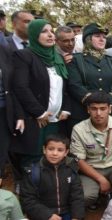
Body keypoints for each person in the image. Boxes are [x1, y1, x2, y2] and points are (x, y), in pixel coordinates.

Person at [11, 19, 70, 189]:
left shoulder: (56, 58)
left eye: (52, 31)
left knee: (51, 155)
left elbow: (63, 87)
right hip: (34, 118)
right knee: (32, 156)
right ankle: (27, 192)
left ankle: (46, 190)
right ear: (34, 35)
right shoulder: (24, 56)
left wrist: (64, 109)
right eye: (44, 31)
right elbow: (20, 87)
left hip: (54, 120)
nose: (50, 35)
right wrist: (39, 113)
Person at [67, 22, 112, 132]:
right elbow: (75, 85)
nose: (102, 39)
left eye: (104, 37)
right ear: (88, 39)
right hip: (83, 113)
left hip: (109, 113)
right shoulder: (76, 60)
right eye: (97, 36)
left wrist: (107, 102)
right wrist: (94, 102)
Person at [20, 134, 84, 220]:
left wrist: (76, 216)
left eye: (60, 150)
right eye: (51, 149)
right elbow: (28, 199)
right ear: (44, 150)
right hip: (42, 214)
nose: (54, 153)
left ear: (66, 152)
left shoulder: (71, 170)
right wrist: (47, 215)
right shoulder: (33, 172)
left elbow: (77, 196)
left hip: (67, 213)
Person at [0, 44, 24, 187]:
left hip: (4, 110)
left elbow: (13, 86)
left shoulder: (4, 50)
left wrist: (19, 115)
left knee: (4, 149)